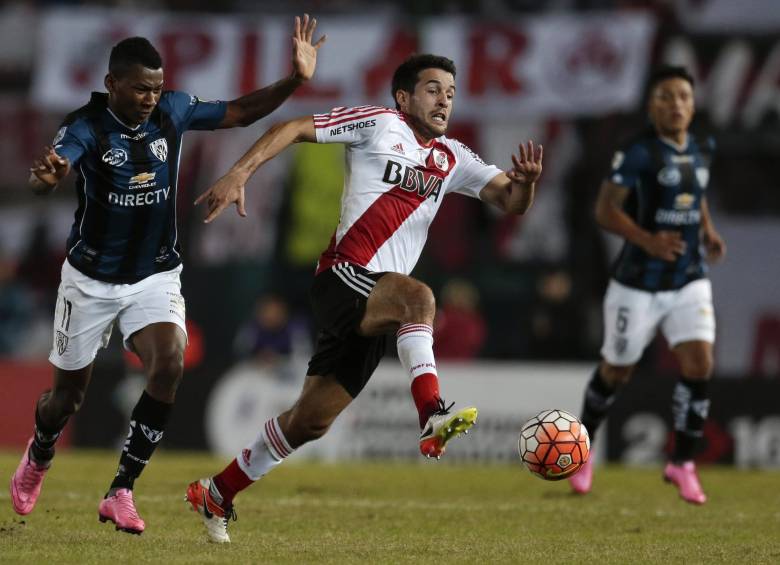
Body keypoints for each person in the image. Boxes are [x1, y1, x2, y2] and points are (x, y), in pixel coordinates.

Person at [186, 53, 543, 543]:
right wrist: (241, 171)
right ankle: (432, 414)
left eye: (452, 93)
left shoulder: (453, 157)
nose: (445, 100)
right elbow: (293, 127)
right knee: (420, 299)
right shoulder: (378, 123)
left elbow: (510, 202)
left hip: (380, 303)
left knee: (310, 422)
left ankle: (216, 492)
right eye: (434, 89)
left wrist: (524, 185)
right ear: (403, 96)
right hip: (345, 276)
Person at [10, 15, 326, 535]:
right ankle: (39, 454)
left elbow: (242, 111)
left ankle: (121, 490)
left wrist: (295, 81)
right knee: (66, 398)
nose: (150, 98)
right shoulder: (86, 125)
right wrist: (49, 178)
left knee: (170, 362)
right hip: (89, 280)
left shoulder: (174, 111)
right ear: (112, 84)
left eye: (156, 88)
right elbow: (57, 165)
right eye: (139, 89)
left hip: (154, 275)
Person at [568, 66, 726, 504]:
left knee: (699, 363)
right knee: (616, 369)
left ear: (693, 104)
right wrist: (647, 240)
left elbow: (698, 194)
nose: (675, 104)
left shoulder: (703, 147)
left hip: (689, 278)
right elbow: (604, 210)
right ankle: (582, 452)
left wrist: (707, 231)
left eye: (683, 96)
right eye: (665, 96)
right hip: (636, 283)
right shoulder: (636, 152)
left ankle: (682, 463)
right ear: (651, 105)